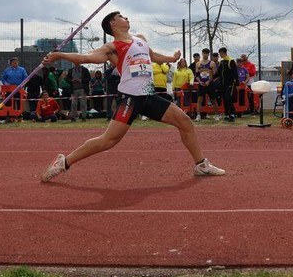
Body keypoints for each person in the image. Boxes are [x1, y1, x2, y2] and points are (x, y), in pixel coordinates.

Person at [41, 11, 225, 181]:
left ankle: (201, 165)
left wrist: (171, 58)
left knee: (184, 122)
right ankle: (64, 162)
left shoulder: (140, 39)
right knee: (108, 140)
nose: (126, 18)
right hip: (130, 97)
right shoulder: (112, 47)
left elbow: (152, 56)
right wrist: (59, 55)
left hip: (148, 96)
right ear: (113, 24)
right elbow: (86, 58)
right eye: (121, 16)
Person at [216, 47, 239, 122]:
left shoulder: (230, 61)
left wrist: (237, 83)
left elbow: (235, 73)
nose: (220, 55)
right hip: (223, 83)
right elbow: (218, 73)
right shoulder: (222, 62)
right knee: (224, 99)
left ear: (224, 53)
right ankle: (226, 114)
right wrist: (211, 77)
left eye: (221, 54)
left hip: (230, 83)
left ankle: (232, 114)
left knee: (228, 98)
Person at [195, 48, 217, 121]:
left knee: (213, 99)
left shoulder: (212, 63)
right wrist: (199, 81)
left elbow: (214, 75)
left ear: (208, 54)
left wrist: (209, 81)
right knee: (199, 99)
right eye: (204, 53)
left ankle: (216, 115)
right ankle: (198, 115)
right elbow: (196, 75)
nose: (205, 54)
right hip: (201, 83)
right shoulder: (198, 63)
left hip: (209, 84)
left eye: (207, 53)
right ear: (202, 54)